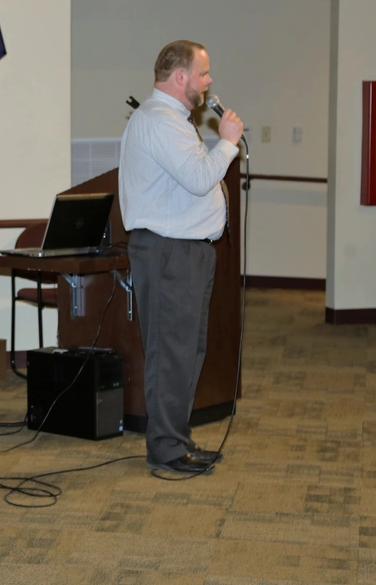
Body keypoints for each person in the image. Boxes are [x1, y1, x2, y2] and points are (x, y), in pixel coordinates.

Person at [118, 40, 242, 475]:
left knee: (187, 351)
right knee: (172, 352)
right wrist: (226, 144)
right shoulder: (159, 120)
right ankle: (167, 448)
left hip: (184, 252)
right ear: (181, 77)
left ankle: (177, 438)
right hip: (170, 253)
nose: (209, 83)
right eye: (204, 74)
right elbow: (197, 178)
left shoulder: (172, 120)